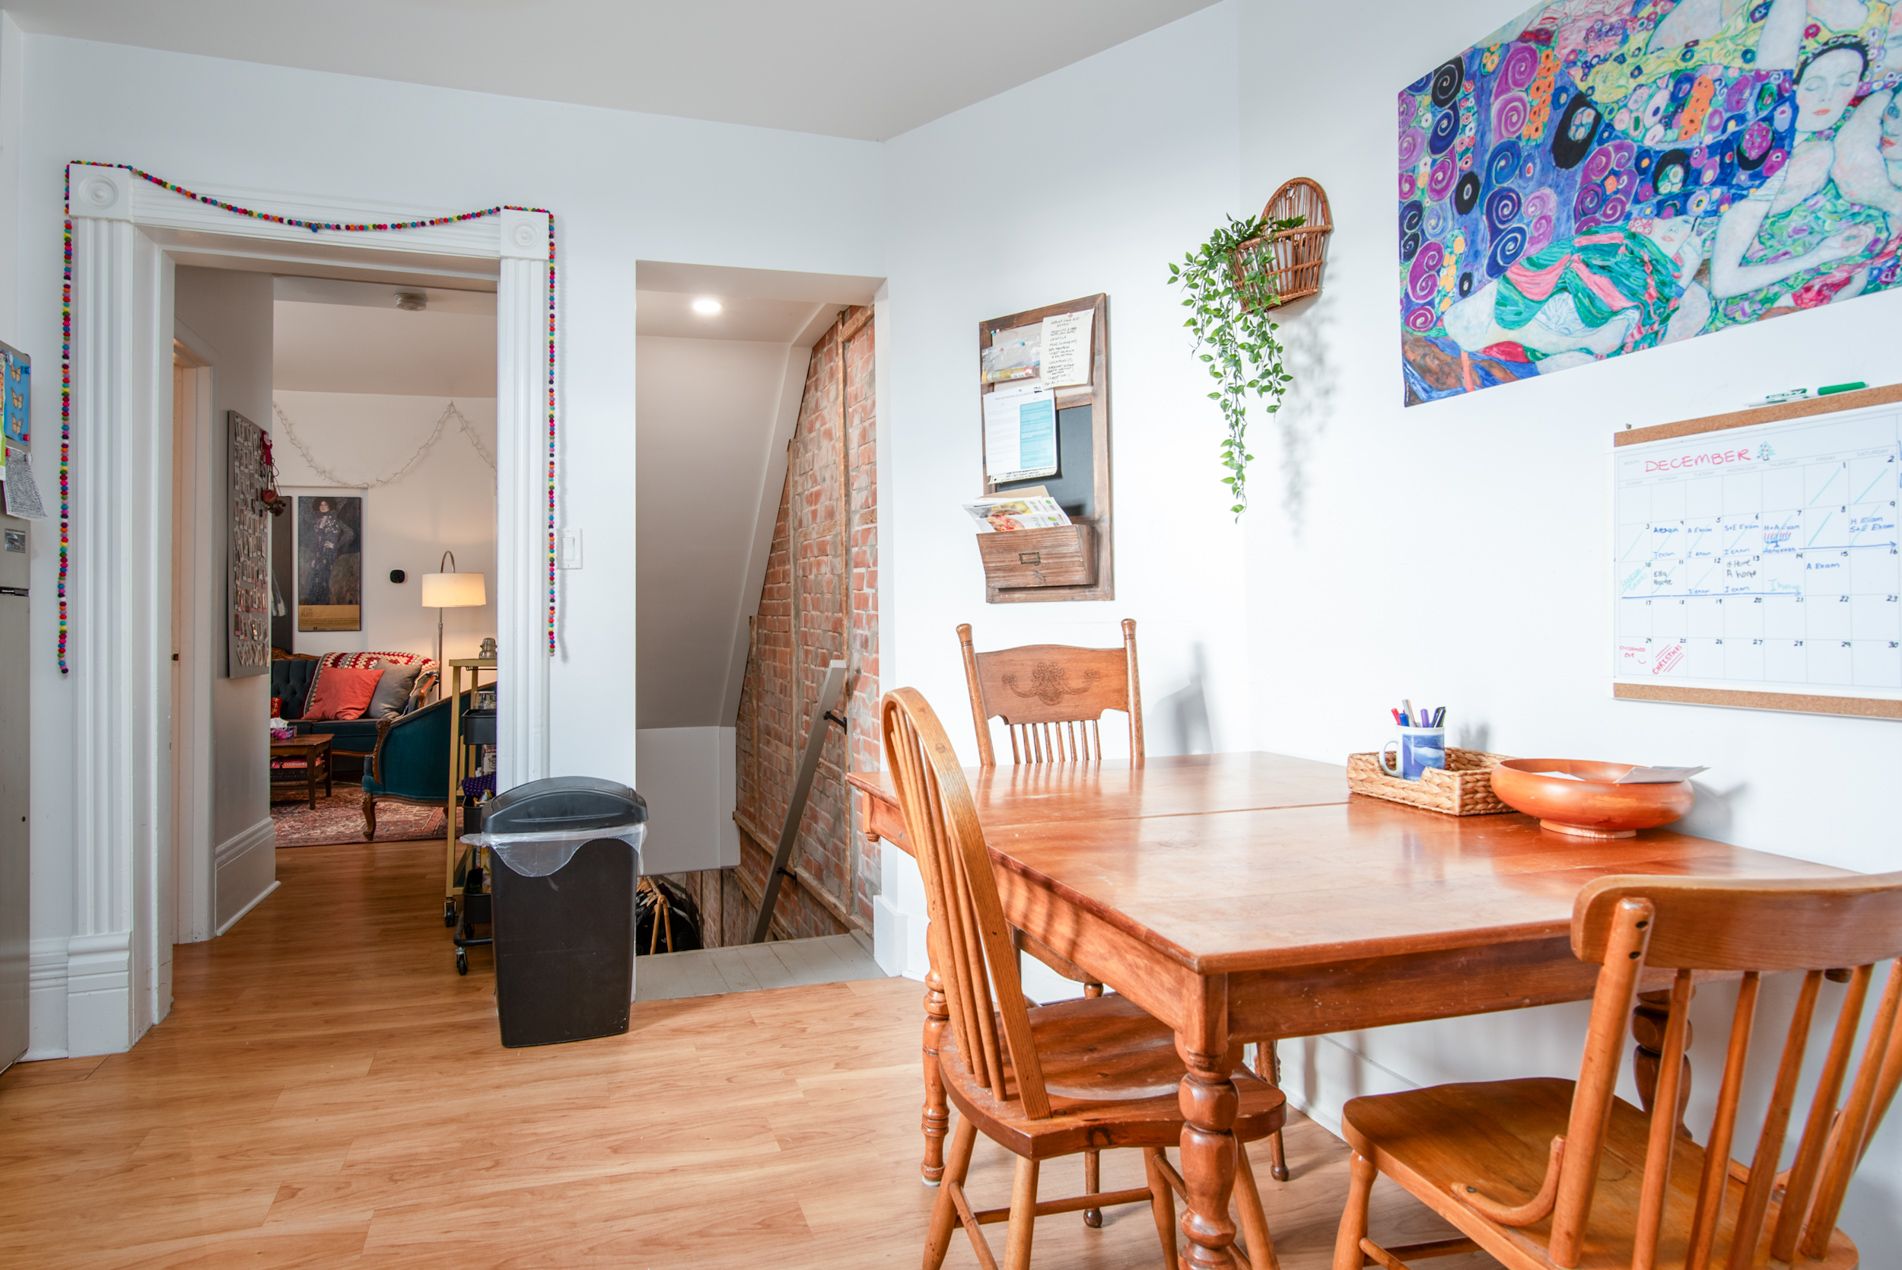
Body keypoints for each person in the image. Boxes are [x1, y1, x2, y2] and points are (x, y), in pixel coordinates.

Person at [1708, 40, 1888, 321]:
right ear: (1794, 88)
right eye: (1814, 86)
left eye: (1845, 83)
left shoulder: (1844, 138)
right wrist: (1818, 256)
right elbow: (1723, 283)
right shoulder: (1759, 162)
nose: (1828, 97)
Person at [301, 498, 356, 606]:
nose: (323, 507)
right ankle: (314, 602)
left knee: (324, 576)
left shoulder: (335, 521)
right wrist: (314, 555)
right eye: (321, 505)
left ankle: (324, 602)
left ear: (330, 506)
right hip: (318, 553)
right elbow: (316, 540)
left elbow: (350, 533)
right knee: (315, 576)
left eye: (325, 505)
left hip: (329, 553)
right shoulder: (318, 521)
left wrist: (335, 545)